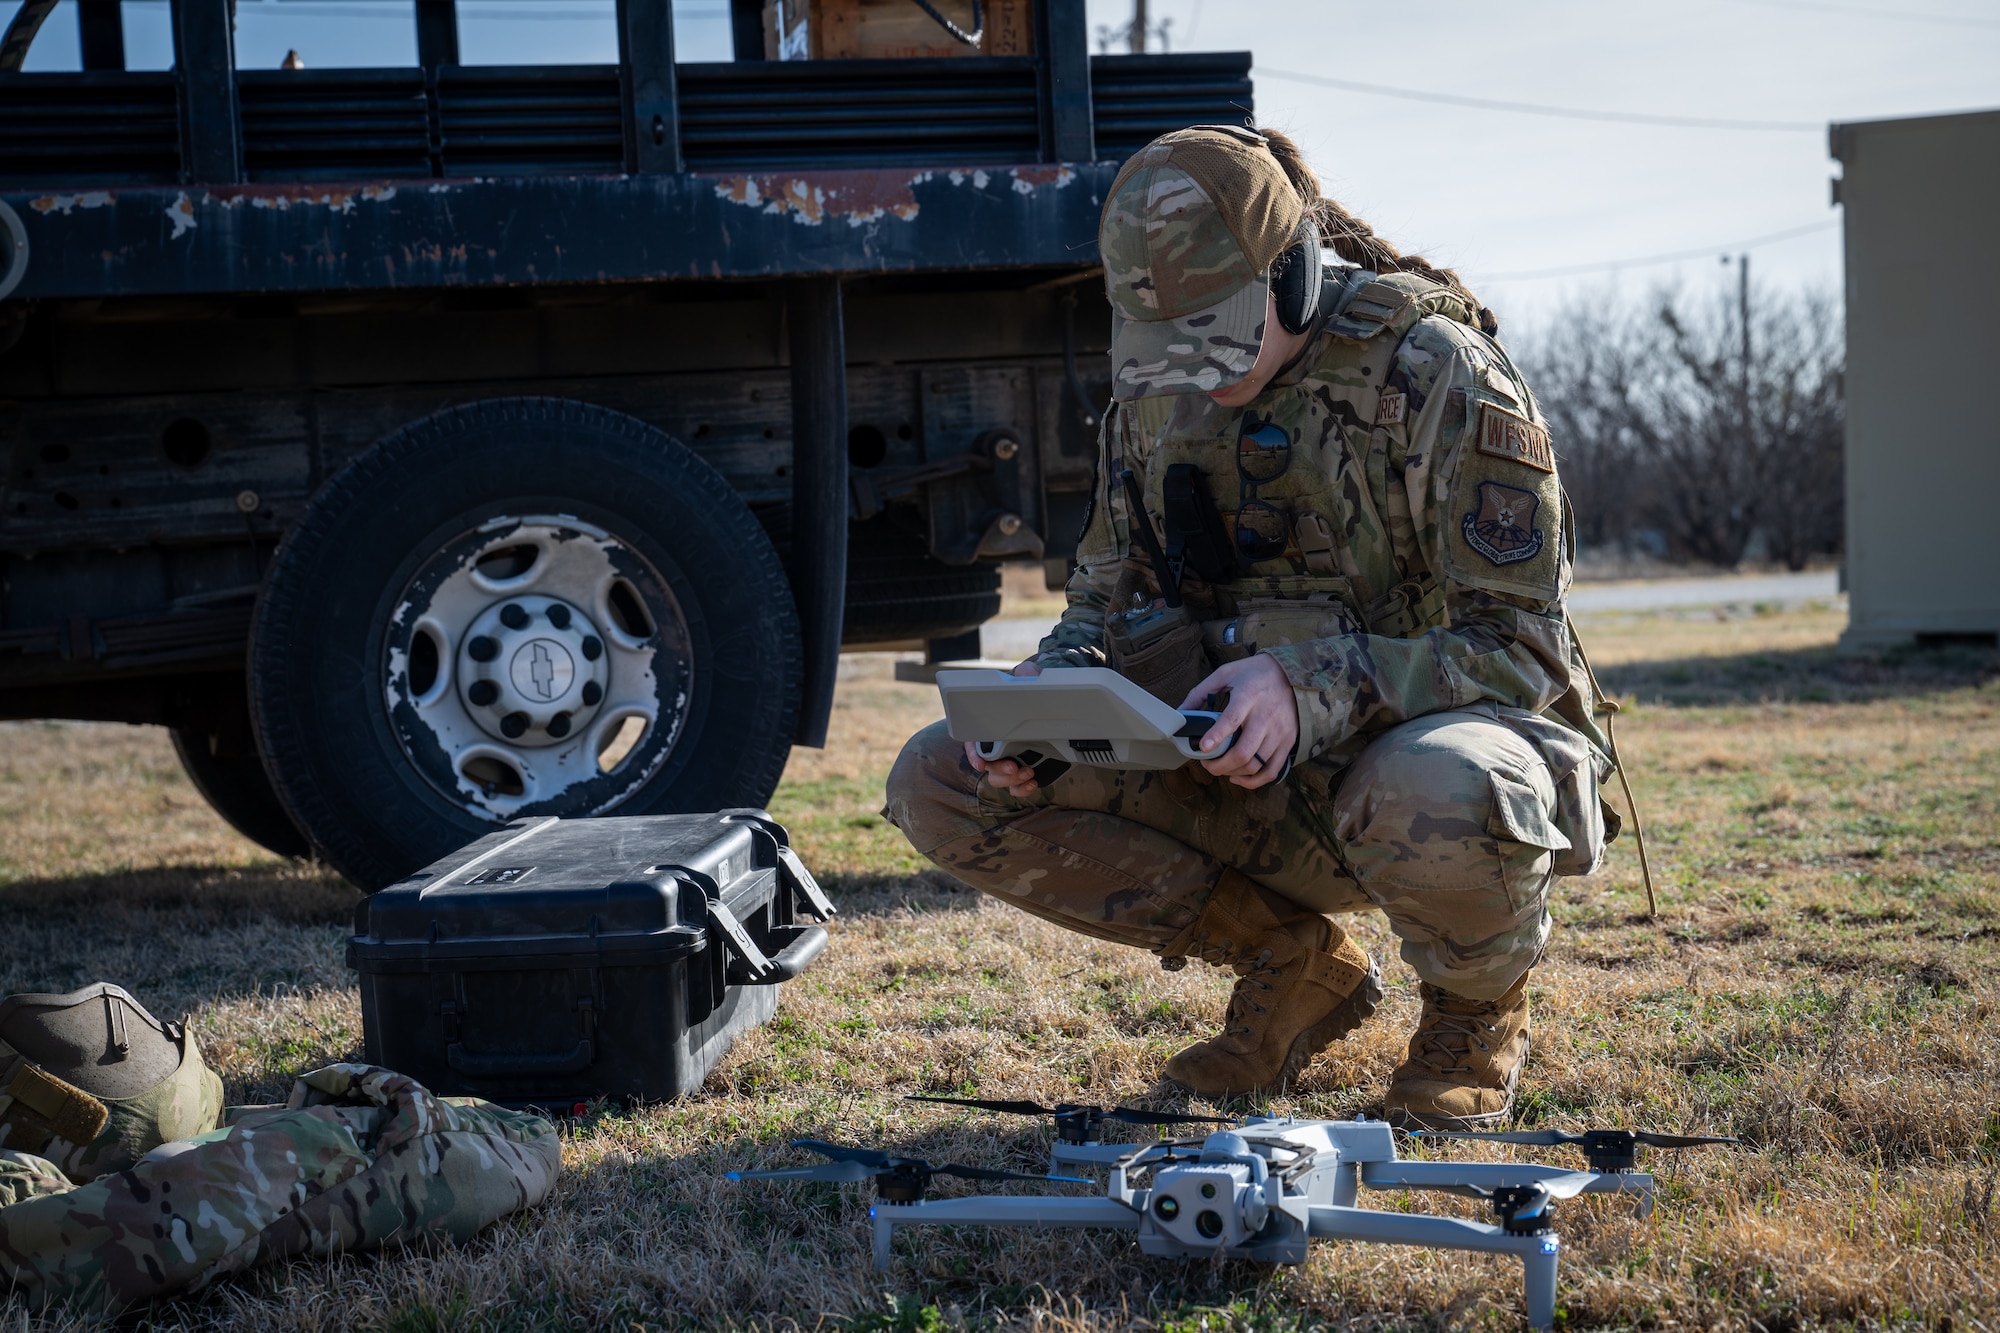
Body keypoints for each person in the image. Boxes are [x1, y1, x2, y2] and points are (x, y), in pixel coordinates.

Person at [882, 125, 1618, 1128]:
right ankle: (1291, 961)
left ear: (1295, 277)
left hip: (1427, 766)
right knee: (941, 777)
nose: (1194, 371)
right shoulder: (1153, 402)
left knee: (1432, 782)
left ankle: (1470, 1017)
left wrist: (1306, 684)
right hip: (1235, 770)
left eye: (1215, 336)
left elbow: (1520, 651)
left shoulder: (1434, 374)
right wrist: (1044, 717)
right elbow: (1099, 605)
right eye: (1167, 345)